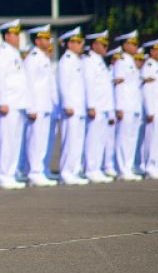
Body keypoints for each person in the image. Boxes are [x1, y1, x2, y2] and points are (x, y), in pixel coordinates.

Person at [0, 20, 29, 189]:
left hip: (18, 102)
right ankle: (3, 175)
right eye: (15, 34)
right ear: (7, 36)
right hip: (9, 104)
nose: (18, 37)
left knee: (14, 141)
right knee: (6, 141)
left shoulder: (14, 53)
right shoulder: (2, 53)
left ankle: (10, 174)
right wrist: (2, 101)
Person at [22, 25, 58, 186]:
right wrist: (31, 107)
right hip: (36, 106)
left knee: (42, 140)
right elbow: (28, 84)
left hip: (45, 105)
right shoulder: (33, 58)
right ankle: (34, 172)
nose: (48, 40)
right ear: (37, 41)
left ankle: (40, 170)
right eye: (44, 38)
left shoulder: (43, 58)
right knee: (35, 141)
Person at [56, 27, 89, 185]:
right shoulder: (66, 60)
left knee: (77, 141)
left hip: (79, 106)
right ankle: (67, 172)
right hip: (71, 108)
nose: (79, 44)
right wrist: (67, 104)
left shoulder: (77, 60)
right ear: (68, 44)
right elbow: (63, 83)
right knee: (70, 141)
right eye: (76, 42)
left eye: (80, 41)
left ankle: (75, 170)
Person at [83, 30, 115, 183]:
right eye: (103, 44)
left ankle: (96, 168)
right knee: (93, 139)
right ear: (94, 44)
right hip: (95, 106)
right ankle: (91, 169)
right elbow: (89, 84)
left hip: (103, 107)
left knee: (100, 139)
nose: (106, 47)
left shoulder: (99, 60)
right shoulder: (89, 61)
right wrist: (91, 105)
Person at [112, 31, 144, 181]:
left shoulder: (131, 62)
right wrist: (119, 107)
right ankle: (122, 169)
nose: (136, 47)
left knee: (131, 139)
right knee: (123, 139)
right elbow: (118, 86)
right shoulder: (121, 62)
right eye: (133, 43)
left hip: (133, 105)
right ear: (125, 45)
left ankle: (128, 166)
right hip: (124, 106)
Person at [142, 38, 158, 179]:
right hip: (153, 109)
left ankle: (155, 165)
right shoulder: (149, 65)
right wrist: (149, 110)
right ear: (152, 51)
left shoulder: (155, 65)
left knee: (157, 140)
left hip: (157, 108)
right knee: (152, 139)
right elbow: (147, 90)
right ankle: (150, 166)